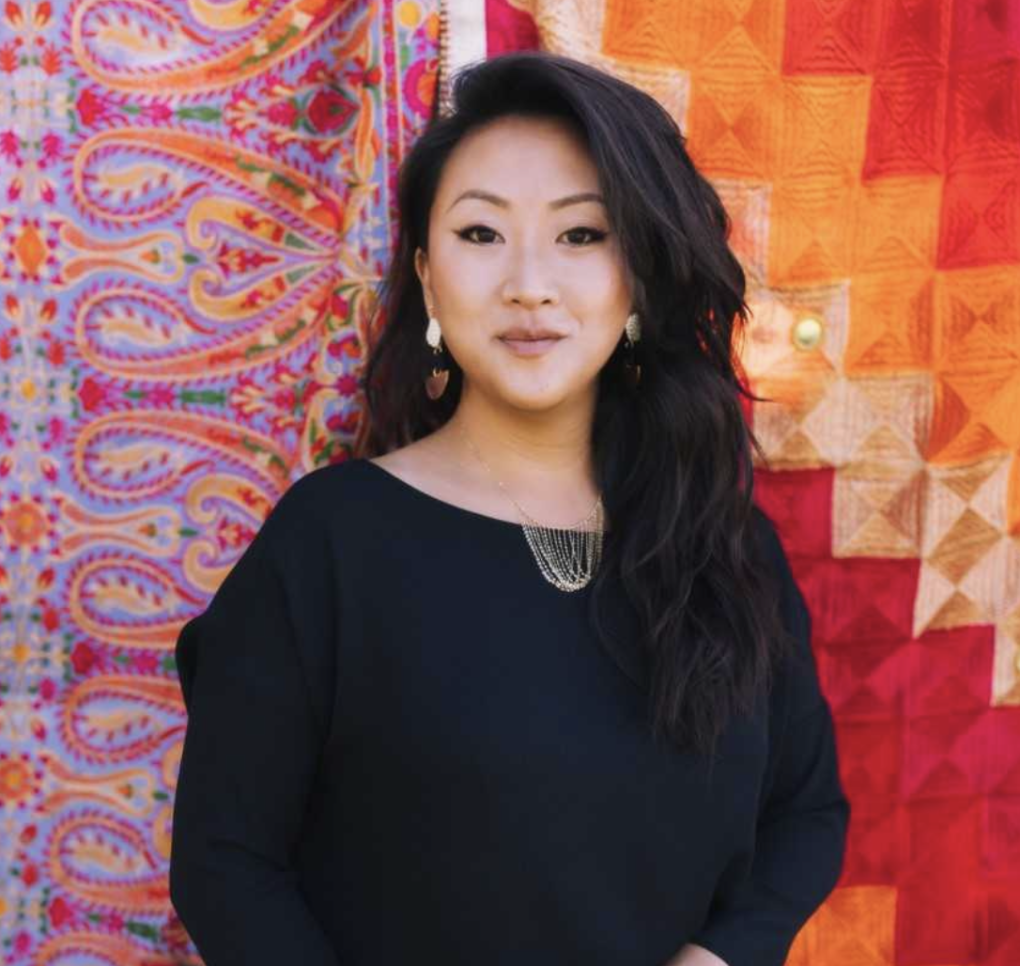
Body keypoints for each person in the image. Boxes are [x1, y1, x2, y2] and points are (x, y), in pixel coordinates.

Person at [169, 49, 850, 966]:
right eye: (482, 234)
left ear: (640, 278)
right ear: (427, 273)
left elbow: (806, 811)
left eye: (581, 236)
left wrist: (723, 955)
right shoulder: (331, 541)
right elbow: (226, 861)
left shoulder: (724, 545)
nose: (530, 283)